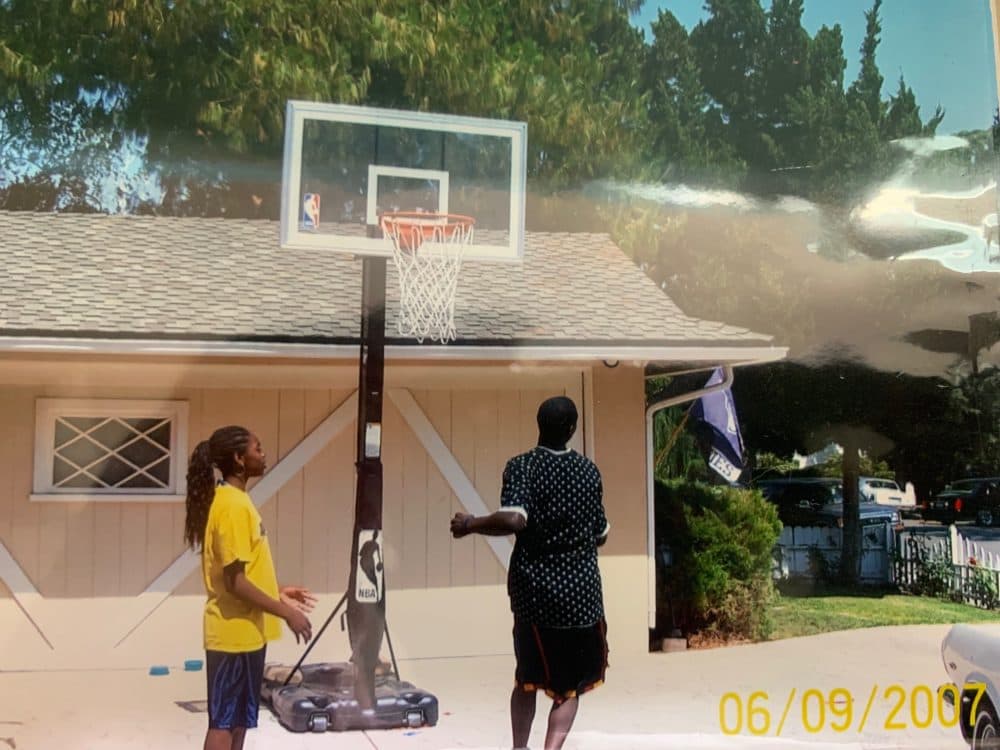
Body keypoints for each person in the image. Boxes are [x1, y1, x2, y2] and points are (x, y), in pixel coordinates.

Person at [450, 396, 610, 750]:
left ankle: (519, 748)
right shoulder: (588, 471)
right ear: (572, 428)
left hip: (534, 596)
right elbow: (601, 534)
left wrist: (470, 524)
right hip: (581, 600)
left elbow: (515, 519)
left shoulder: (522, 466)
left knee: (528, 677)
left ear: (538, 424)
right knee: (568, 689)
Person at [184, 425, 316, 750]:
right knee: (224, 722)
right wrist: (286, 612)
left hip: (248, 634)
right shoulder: (231, 506)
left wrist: (278, 592)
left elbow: (243, 573)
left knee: (240, 720)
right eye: (257, 448)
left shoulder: (238, 501)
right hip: (232, 635)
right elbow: (235, 582)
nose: (263, 453)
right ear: (239, 459)